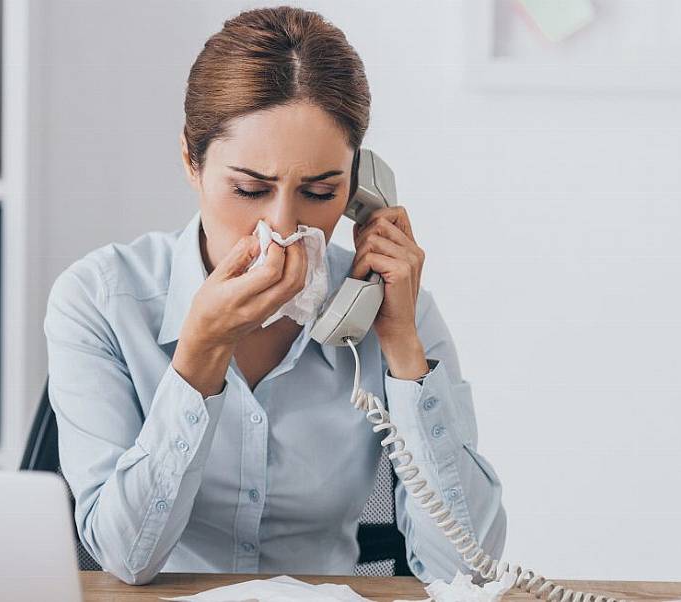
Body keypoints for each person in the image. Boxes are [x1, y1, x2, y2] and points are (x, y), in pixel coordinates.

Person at [43, 5, 506, 586]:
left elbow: (467, 574)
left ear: (361, 187)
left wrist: (403, 350)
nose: (283, 226)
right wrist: (200, 356)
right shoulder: (99, 300)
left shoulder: (393, 306)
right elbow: (124, 559)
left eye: (319, 191)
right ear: (192, 160)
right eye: (248, 189)